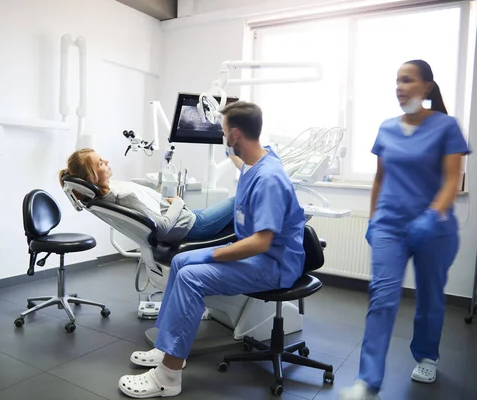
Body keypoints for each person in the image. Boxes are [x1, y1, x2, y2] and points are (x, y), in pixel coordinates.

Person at [116, 101, 307, 398]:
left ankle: (168, 376)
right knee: (180, 261)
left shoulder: (269, 179)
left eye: (223, 131)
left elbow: (261, 242)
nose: (221, 135)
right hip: (256, 255)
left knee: (193, 276)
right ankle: (166, 347)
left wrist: (216, 253)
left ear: (236, 134)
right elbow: (240, 161)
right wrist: (229, 141)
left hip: (274, 263)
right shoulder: (256, 158)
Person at [339, 60, 470, 400]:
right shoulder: (386, 127)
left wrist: (432, 215)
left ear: (426, 87)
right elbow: (380, 178)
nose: (400, 87)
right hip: (390, 226)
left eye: (407, 80)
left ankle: (426, 356)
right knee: (381, 299)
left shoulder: (446, 127)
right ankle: (368, 382)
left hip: (434, 228)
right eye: (397, 80)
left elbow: (452, 180)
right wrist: (372, 219)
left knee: (429, 297)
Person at [58, 149, 242, 243]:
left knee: (239, 221)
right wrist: (177, 202)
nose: (106, 161)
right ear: (91, 177)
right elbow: (161, 227)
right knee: (241, 199)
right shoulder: (123, 197)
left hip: (186, 221)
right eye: (100, 163)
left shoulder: (105, 194)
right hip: (192, 226)